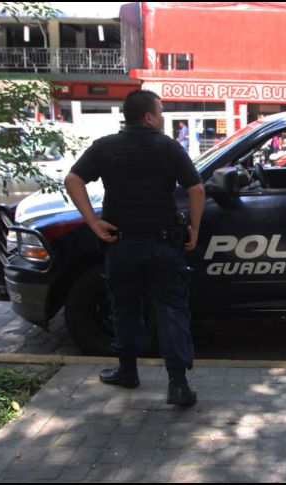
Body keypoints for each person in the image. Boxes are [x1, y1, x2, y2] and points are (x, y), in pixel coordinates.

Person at [64, 90, 205, 407]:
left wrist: (93, 223)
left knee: (124, 307)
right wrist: (194, 229)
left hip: (121, 245)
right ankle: (178, 385)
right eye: (162, 112)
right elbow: (196, 189)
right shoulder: (168, 147)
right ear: (149, 117)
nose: (164, 118)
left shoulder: (105, 147)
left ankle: (128, 372)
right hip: (163, 245)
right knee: (171, 310)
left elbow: (73, 179)